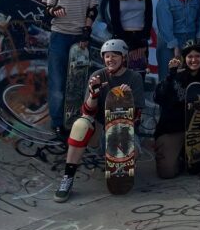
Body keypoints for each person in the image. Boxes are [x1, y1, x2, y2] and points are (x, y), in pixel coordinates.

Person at [54, 39, 145, 201]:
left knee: (130, 146)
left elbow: (137, 119)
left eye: (115, 56)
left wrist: (127, 100)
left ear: (123, 57)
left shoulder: (134, 78)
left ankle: (122, 164)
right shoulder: (97, 76)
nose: (110, 59)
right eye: (107, 56)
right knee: (81, 124)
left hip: (124, 133)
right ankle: (67, 178)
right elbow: (87, 112)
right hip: (101, 132)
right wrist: (94, 95)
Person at [42, 0, 99, 139]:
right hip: (59, 36)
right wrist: (54, 11)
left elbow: (93, 9)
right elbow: (46, 8)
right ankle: (57, 123)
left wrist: (86, 32)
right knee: (58, 83)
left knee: (78, 83)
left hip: (80, 39)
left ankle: (75, 121)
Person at [153, 40, 200, 179]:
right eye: (190, 57)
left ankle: (197, 156)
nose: (194, 60)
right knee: (167, 173)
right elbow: (158, 97)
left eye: (197, 56)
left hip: (196, 129)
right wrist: (170, 76)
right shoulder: (175, 77)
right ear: (184, 59)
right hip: (173, 129)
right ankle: (179, 157)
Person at [103, 0, 153, 78]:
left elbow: (149, 16)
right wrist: (128, 43)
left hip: (141, 39)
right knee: (122, 78)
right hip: (122, 39)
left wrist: (142, 40)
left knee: (138, 77)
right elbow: (115, 20)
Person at [155, 0, 200, 79]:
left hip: (190, 42)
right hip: (169, 45)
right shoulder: (165, 0)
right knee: (168, 78)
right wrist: (175, 46)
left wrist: (199, 39)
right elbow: (165, 27)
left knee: (188, 78)